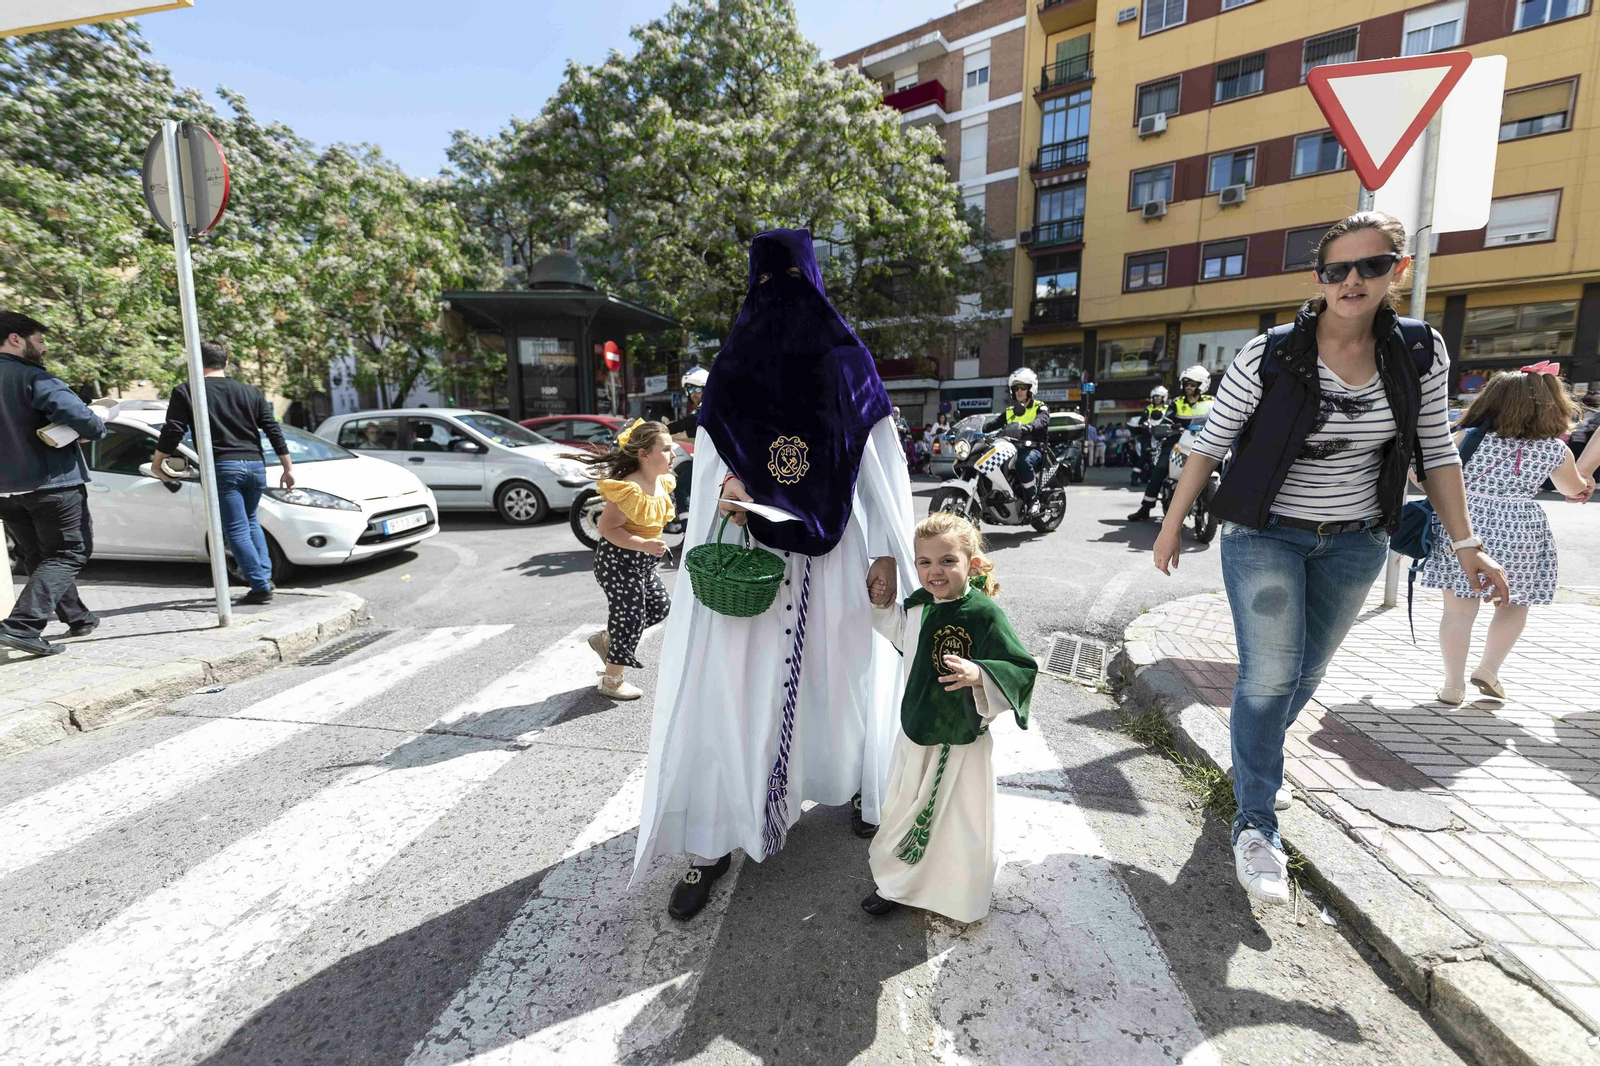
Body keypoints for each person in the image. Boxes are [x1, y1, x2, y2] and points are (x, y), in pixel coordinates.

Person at [1152, 211, 1510, 907]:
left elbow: (1435, 450)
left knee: (1305, 675)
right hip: (1266, 533)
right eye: (1337, 269)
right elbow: (1209, 443)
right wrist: (1171, 528)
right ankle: (1256, 821)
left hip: (1357, 540)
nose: (1352, 280)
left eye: (1370, 267)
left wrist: (1467, 544)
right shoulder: (1273, 353)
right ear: (1319, 279)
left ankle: (1251, 766)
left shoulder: (1419, 351)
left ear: (1396, 273)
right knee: (1269, 675)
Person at [632, 228, 916, 920]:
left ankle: (855, 785)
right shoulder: (734, 365)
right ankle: (711, 838)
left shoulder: (847, 360)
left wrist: (886, 548)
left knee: (845, 680)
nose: (778, 297)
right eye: (769, 283)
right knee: (732, 695)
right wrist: (727, 483)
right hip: (753, 559)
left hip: (837, 556)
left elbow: (878, 464)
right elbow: (712, 461)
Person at [860, 511, 1036, 922]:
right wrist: (883, 603)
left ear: (971, 564)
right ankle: (897, 883)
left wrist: (981, 674)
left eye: (947, 561)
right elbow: (900, 636)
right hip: (918, 732)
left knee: (959, 820)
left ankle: (957, 894)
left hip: (963, 743)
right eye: (925, 562)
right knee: (906, 808)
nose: (935, 571)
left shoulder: (984, 615)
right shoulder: (920, 607)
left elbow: (1021, 668)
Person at [1422, 365, 1589, 703]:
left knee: (1458, 610)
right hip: (1522, 529)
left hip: (1465, 525)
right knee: (1514, 603)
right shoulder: (1554, 449)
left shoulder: (1465, 436)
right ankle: (1489, 669)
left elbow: (1426, 476)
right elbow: (1572, 488)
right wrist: (1584, 484)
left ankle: (1453, 684)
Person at [153, 340, 294, 606]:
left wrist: (157, 462)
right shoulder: (250, 392)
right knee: (251, 522)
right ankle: (263, 576)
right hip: (255, 466)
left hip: (222, 468)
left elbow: (173, 429)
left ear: (194, 361)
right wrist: (287, 467)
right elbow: (274, 429)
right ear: (226, 361)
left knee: (236, 529)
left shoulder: (187, 390)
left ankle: (260, 585)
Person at [0, 312, 108, 657]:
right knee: (67, 553)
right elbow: (88, 424)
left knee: (39, 555)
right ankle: (22, 626)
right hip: (51, 485)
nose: (43, 348)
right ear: (16, 339)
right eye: (40, 340)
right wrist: (99, 418)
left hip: (5, 490)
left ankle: (78, 617)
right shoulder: (33, 378)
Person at [571, 419, 676, 700]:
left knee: (661, 607)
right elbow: (607, 529)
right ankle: (612, 680)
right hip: (617, 562)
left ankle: (607, 640)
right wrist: (644, 543)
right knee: (630, 618)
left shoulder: (663, 482)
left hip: (642, 563)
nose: (673, 455)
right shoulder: (629, 488)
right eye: (665, 450)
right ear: (644, 454)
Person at [1128, 366, 1211, 521]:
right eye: (1186, 384)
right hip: (1178, 442)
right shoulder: (1177, 403)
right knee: (1160, 467)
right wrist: (1166, 427)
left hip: (1204, 442)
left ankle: (1216, 510)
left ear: (1201, 385)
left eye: (1192, 384)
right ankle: (1145, 508)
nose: (1188, 387)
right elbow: (1167, 419)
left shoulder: (1211, 402)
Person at [982, 368, 1051, 516]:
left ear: (1031, 389)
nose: (1019, 391)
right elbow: (991, 425)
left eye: (1023, 388)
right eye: (1016, 388)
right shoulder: (1010, 411)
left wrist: (1028, 427)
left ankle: (1033, 501)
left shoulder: (1040, 407)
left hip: (1034, 449)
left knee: (1022, 463)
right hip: (1011, 448)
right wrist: (973, 429)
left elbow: (1041, 421)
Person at [667, 365, 709, 514]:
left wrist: (665, 429)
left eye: (698, 389)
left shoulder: (708, 405)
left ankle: (686, 530)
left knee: (682, 488)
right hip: (708, 456)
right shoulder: (709, 406)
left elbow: (690, 422)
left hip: (710, 458)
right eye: (691, 390)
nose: (694, 394)